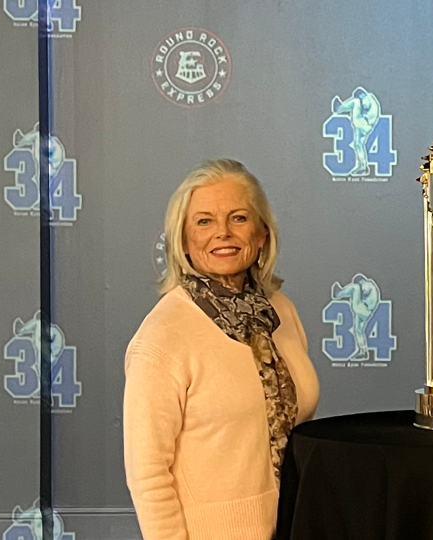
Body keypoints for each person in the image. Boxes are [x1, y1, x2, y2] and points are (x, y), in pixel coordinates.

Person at [124, 159, 320, 540]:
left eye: (239, 218)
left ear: (262, 233)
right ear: (182, 240)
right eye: (204, 221)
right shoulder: (162, 336)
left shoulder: (281, 311)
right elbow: (148, 473)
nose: (224, 234)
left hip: (297, 523)